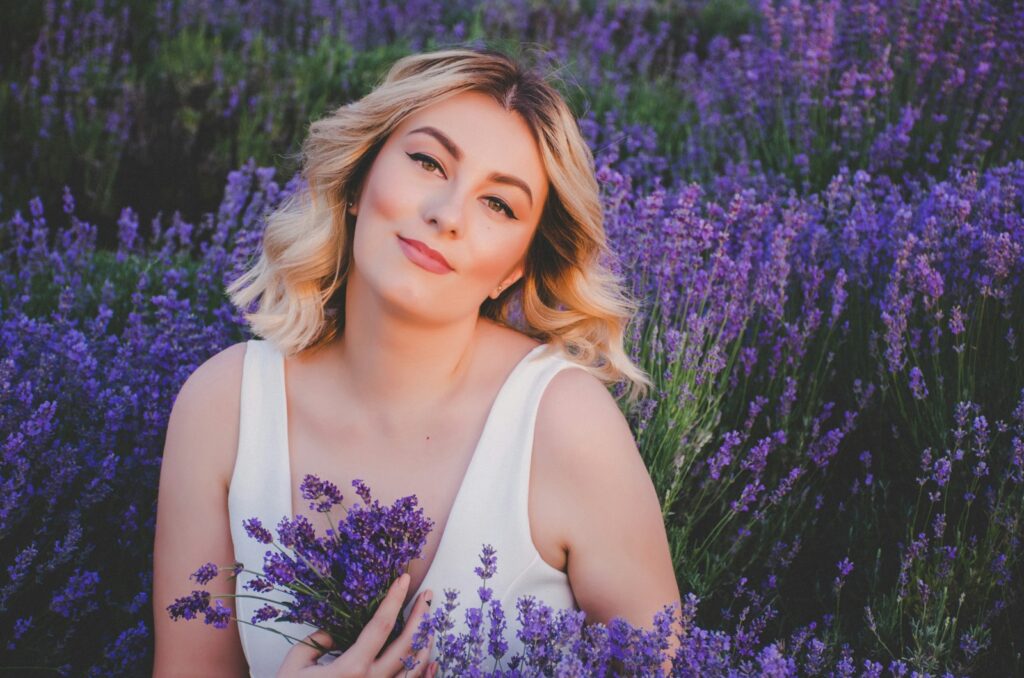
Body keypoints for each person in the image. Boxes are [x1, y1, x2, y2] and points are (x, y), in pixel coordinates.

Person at [153, 46, 680, 677]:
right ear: (358, 180)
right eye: (429, 162)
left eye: (499, 205)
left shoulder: (563, 425)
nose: (447, 214)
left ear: (514, 268)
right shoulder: (223, 408)